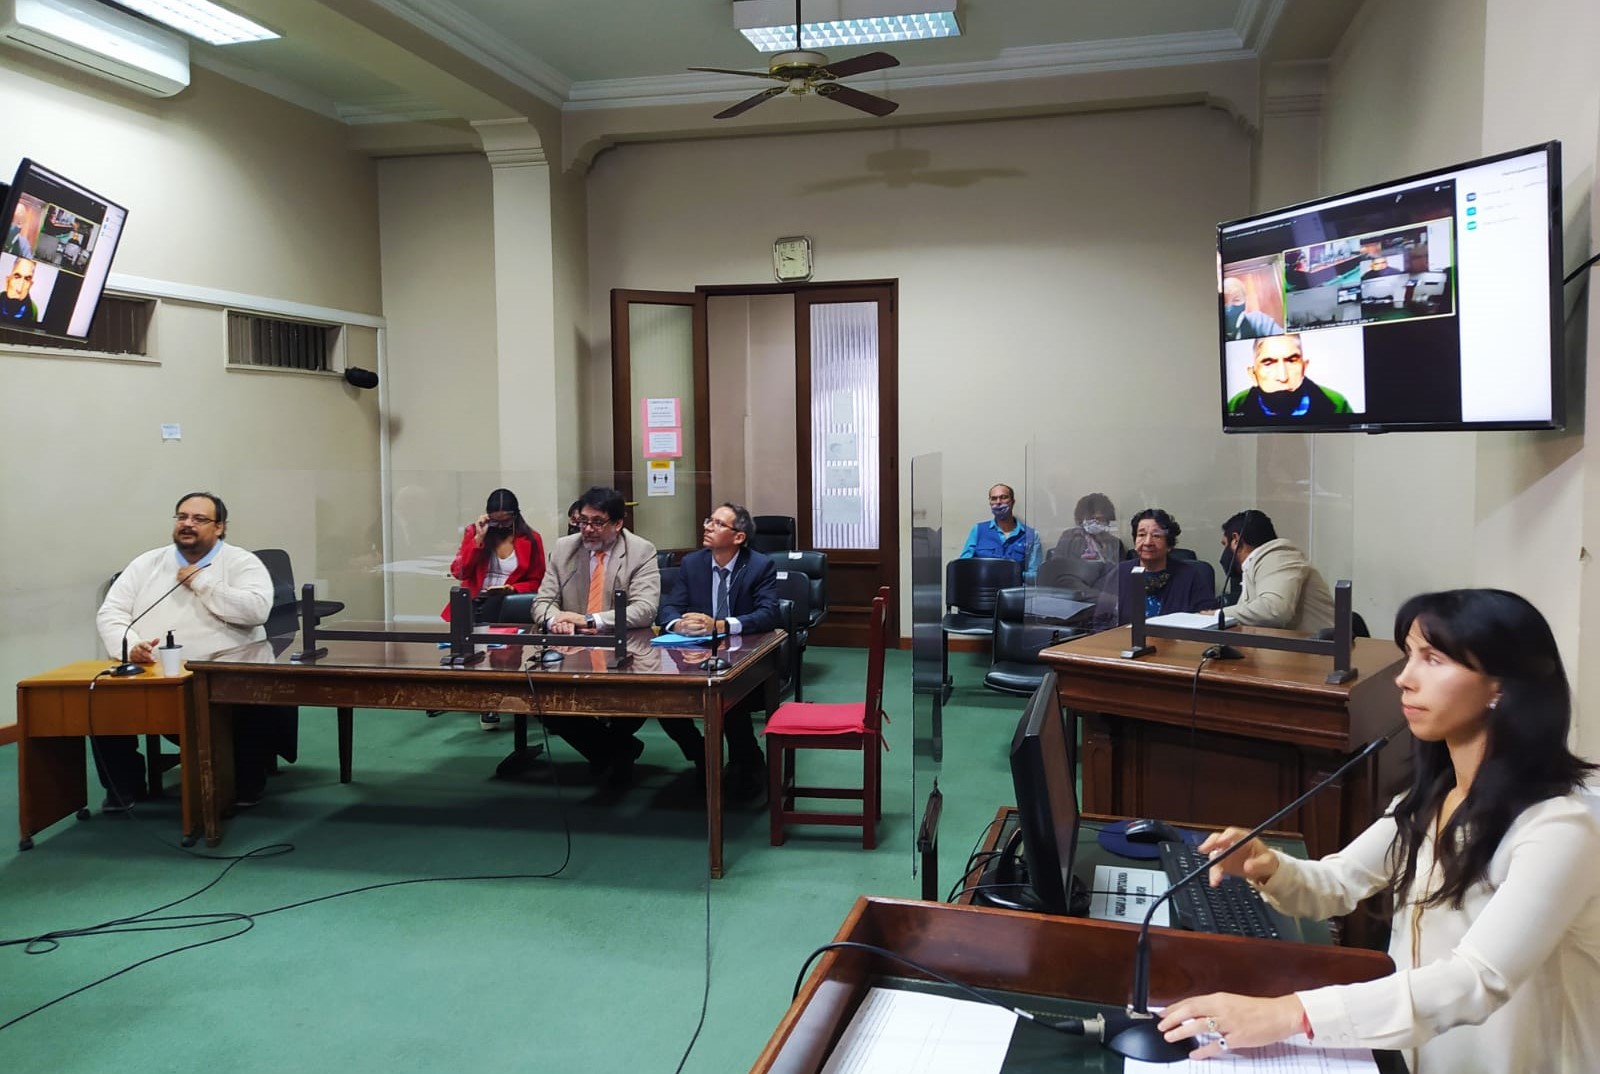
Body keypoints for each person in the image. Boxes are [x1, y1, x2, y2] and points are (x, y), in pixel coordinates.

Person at [1158, 589, 1600, 1072]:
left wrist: (1291, 1013)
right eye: (1409, 655)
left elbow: (1476, 979)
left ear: (1501, 686)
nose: (1404, 678)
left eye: (1433, 659)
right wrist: (1268, 868)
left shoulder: (1560, 829)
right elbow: (1337, 882)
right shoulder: (1433, 797)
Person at [94, 492, 280, 809]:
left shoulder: (241, 562)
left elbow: (256, 610)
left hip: (223, 675)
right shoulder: (147, 563)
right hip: (153, 671)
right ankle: (124, 787)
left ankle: (246, 783)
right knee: (100, 700)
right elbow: (112, 613)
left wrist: (202, 581)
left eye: (199, 519)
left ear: (219, 527)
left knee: (251, 704)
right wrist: (130, 646)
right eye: (182, 517)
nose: (188, 524)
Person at [530, 486, 661, 785]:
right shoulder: (564, 548)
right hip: (572, 651)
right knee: (541, 698)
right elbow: (543, 602)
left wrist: (590, 620)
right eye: (583, 521)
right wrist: (555, 620)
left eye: (597, 522)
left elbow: (644, 609)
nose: (587, 529)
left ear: (618, 523)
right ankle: (615, 751)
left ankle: (611, 752)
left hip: (625, 651)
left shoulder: (640, 551)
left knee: (632, 703)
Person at [657, 502, 782, 803]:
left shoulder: (759, 565)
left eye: (717, 523)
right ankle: (702, 755)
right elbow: (669, 607)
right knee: (664, 699)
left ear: (738, 537)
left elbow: (769, 614)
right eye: (708, 521)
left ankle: (748, 763)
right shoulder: (693, 563)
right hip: (694, 655)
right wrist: (679, 623)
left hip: (744, 655)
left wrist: (722, 625)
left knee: (730, 701)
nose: (708, 527)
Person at [442, 487, 546, 730]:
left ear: (515, 515)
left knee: (506, 655)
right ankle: (487, 702)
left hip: (509, 602)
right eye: (495, 520)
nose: (500, 526)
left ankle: (507, 697)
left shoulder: (531, 539)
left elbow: (539, 580)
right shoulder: (475, 533)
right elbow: (459, 572)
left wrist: (513, 589)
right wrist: (478, 540)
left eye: (505, 520)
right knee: (478, 655)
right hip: (477, 601)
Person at [1092, 508, 1216, 629]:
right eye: (1141, 535)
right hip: (1125, 641)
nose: (1147, 542)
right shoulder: (1121, 573)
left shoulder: (1189, 576)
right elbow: (1101, 621)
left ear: (1169, 544)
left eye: (1156, 536)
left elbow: (1208, 620)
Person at [1217, 510, 1334, 633]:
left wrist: (1216, 615)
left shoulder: (1278, 556)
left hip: (1319, 645)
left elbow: (1274, 610)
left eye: (1225, 544)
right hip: (1297, 643)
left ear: (1236, 540)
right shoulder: (1257, 565)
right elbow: (1246, 616)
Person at [1227, 334, 1352, 421]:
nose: (1283, 377)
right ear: (1253, 374)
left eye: (1291, 361)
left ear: (1304, 367)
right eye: (1268, 363)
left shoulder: (1336, 404)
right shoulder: (1236, 405)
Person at [1041, 492, 1123, 595]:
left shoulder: (1114, 543)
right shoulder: (1070, 537)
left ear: (1107, 520)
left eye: (1099, 519)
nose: (1095, 523)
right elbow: (1058, 570)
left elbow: (1117, 575)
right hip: (1074, 590)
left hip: (1105, 592)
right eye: (1091, 519)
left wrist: (1103, 547)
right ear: (1082, 519)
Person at [959, 483, 1041, 581]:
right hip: (982, 587)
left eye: (1003, 497)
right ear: (990, 503)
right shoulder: (978, 530)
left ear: (1012, 502)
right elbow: (962, 566)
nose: (998, 502)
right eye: (994, 499)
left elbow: (1035, 576)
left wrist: (1012, 574)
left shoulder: (1031, 535)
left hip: (1015, 588)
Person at [2, 256, 40, 324]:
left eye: (27, 279)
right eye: (17, 277)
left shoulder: (33, 310)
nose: (19, 289)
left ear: (30, 285)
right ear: (7, 280)